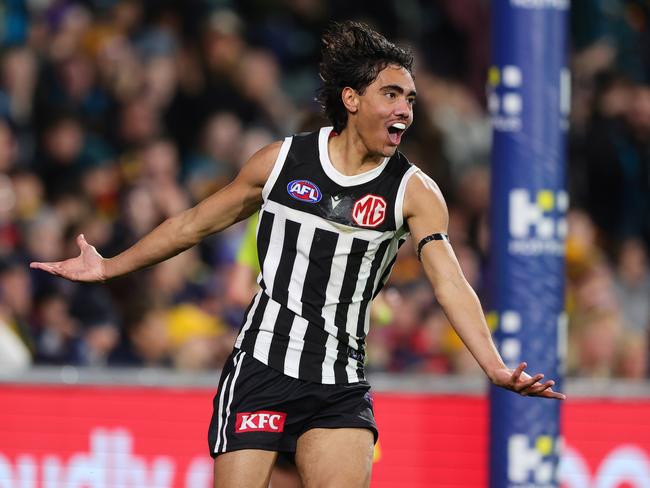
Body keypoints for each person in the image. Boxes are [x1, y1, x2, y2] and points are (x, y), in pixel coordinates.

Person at [31, 21, 565, 488]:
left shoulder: (415, 192)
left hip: (339, 382)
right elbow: (191, 225)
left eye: (411, 99)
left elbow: (451, 283)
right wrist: (108, 266)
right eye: (392, 94)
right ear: (352, 99)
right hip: (261, 366)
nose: (405, 109)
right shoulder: (282, 162)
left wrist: (492, 365)